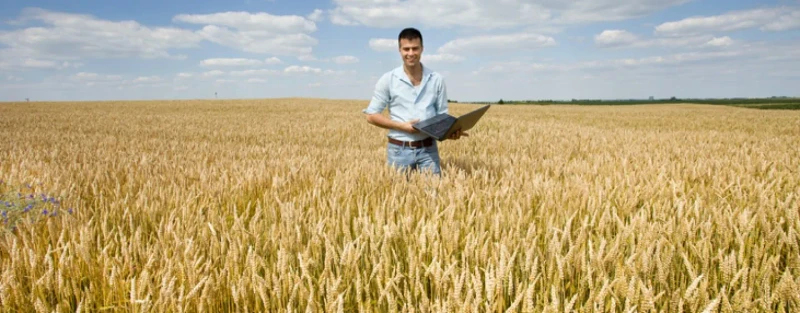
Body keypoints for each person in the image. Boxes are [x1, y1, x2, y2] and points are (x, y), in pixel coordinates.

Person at [363, 27, 466, 176]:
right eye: (406, 49)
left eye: (415, 48)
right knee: (397, 191)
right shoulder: (388, 79)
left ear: (422, 49)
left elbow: (442, 116)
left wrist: (449, 132)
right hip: (398, 151)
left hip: (429, 150)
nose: (411, 53)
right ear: (399, 50)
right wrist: (402, 126)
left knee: (433, 191)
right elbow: (371, 116)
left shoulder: (436, 79)